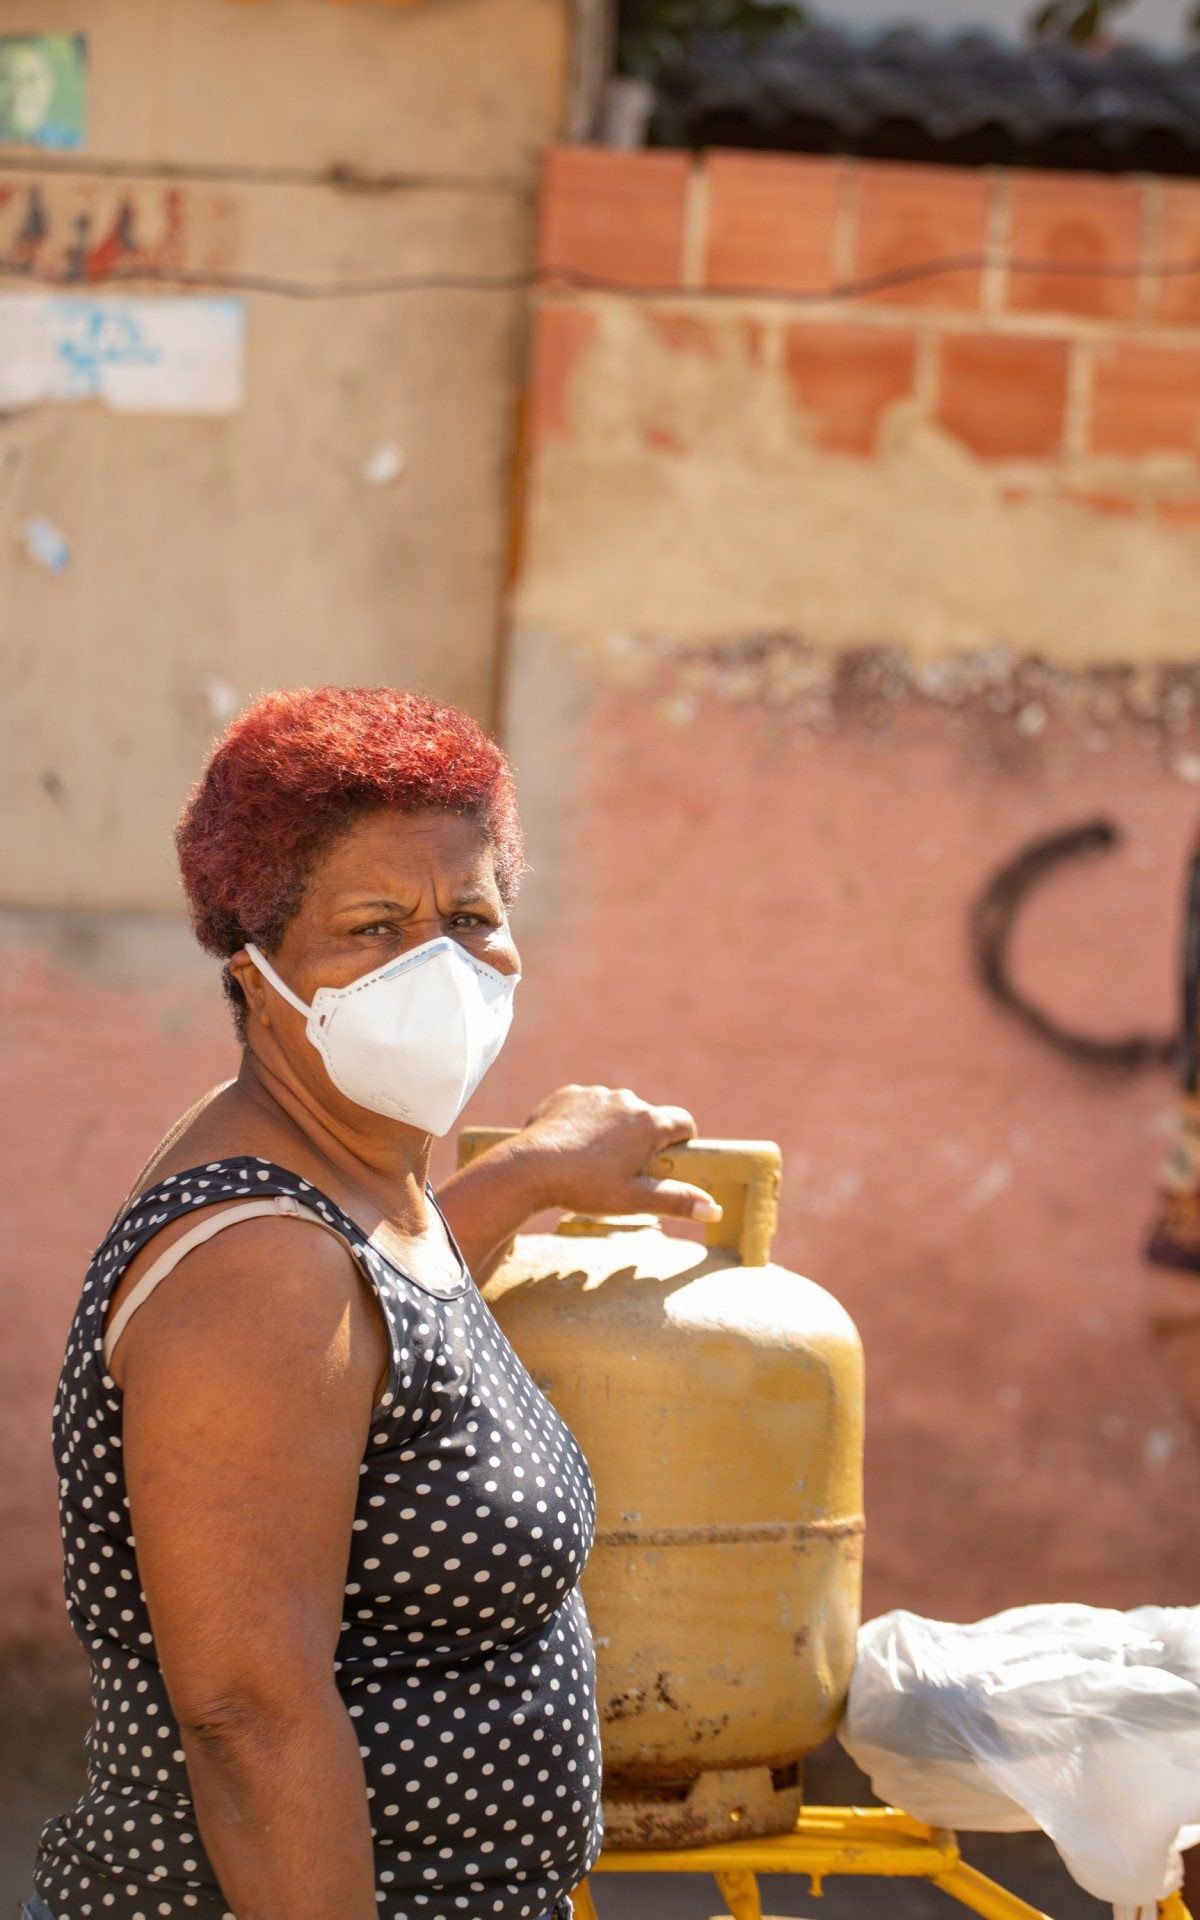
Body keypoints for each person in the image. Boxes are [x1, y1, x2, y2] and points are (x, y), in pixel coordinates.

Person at [29, 685, 720, 1920]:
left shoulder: (346, 1188)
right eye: (374, 928)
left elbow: (369, 1335)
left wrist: (525, 1176)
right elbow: (250, 1718)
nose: (440, 966)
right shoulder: (255, 1266)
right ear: (256, 969)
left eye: (471, 916)